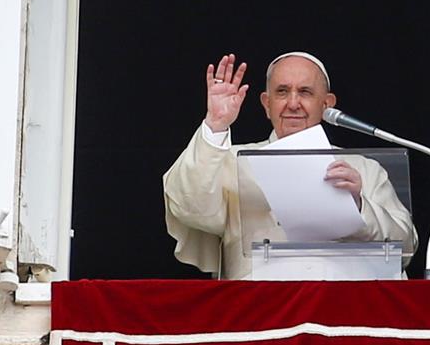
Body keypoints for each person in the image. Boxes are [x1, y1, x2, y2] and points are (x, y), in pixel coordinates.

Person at [163, 52, 417, 279]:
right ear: (266, 103)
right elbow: (190, 209)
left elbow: (404, 247)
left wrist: (360, 206)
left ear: (327, 104)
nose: (293, 103)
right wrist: (215, 125)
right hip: (260, 311)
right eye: (282, 92)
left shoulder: (364, 168)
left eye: (305, 92)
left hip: (345, 307)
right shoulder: (230, 160)